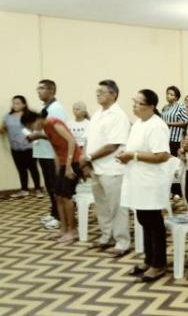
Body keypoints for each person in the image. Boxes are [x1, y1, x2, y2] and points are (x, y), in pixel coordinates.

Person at [117, 89, 171, 282]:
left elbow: (162, 155)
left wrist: (132, 155)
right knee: (143, 220)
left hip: (151, 182)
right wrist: (125, 154)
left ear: (151, 106)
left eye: (139, 103)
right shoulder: (139, 124)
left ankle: (159, 264)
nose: (134, 106)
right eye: (134, 101)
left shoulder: (157, 126)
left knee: (154, 223)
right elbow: (136, 149)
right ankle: (149, 260)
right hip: (138, 180)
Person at [80, 80, 131, 257]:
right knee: (101, 206)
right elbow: (87, 140)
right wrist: (86, 162)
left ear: (113, 94)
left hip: (112, 168)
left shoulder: (118, 116)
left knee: (116, 207)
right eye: (97, 91)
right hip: (96, 168)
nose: (98, 94)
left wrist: (89, 157)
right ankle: (106, 236)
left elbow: (113, 145)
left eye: (102, 91)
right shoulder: (97, 114)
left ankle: (122, 242)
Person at [22, 110, 82, 243]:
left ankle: (72, 231)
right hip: (62, 164)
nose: (33, 130)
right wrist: (57, 167)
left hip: (74, 163)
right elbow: (55, 147)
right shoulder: (46, 127)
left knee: (66, 197)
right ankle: (63, 229)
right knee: (58, 196)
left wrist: (68, 166)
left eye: (31, 126)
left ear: (36, 119)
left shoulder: (54, 123)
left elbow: (71, 142)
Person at [30, 79, 67, 229]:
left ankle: (59, 217)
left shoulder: (56, 109)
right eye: (37, 88)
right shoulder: (45, 107)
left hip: (52, 154)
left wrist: (38, 135)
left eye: (42, 88)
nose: (38, 91)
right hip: (43, 152)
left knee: (55, 187)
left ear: (51, 91)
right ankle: (53, 213)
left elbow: (59, 134)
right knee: (49, 186)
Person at [0, 95, 42, 198]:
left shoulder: (30, 115)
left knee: (33, 168)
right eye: (14, 103)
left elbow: (39, 127)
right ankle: (24, 190)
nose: (15, 105)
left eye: (18, 103)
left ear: (23, 104)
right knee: (21, 169)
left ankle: (38, 189)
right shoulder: (8, 116)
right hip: (15, 147)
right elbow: (3, 129)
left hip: (29, 147)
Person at [161, 86, 188, 199]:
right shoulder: (165, 108)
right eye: (168, 94)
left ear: (177, 96)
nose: (169, 96)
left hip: (176, 139)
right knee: (167, 165)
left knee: (175, 166)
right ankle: (169, 189)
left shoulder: (180, 107)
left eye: (172, 94)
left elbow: (186, 121)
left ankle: (177, 191)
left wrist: (170, 124)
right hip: (165, 138)